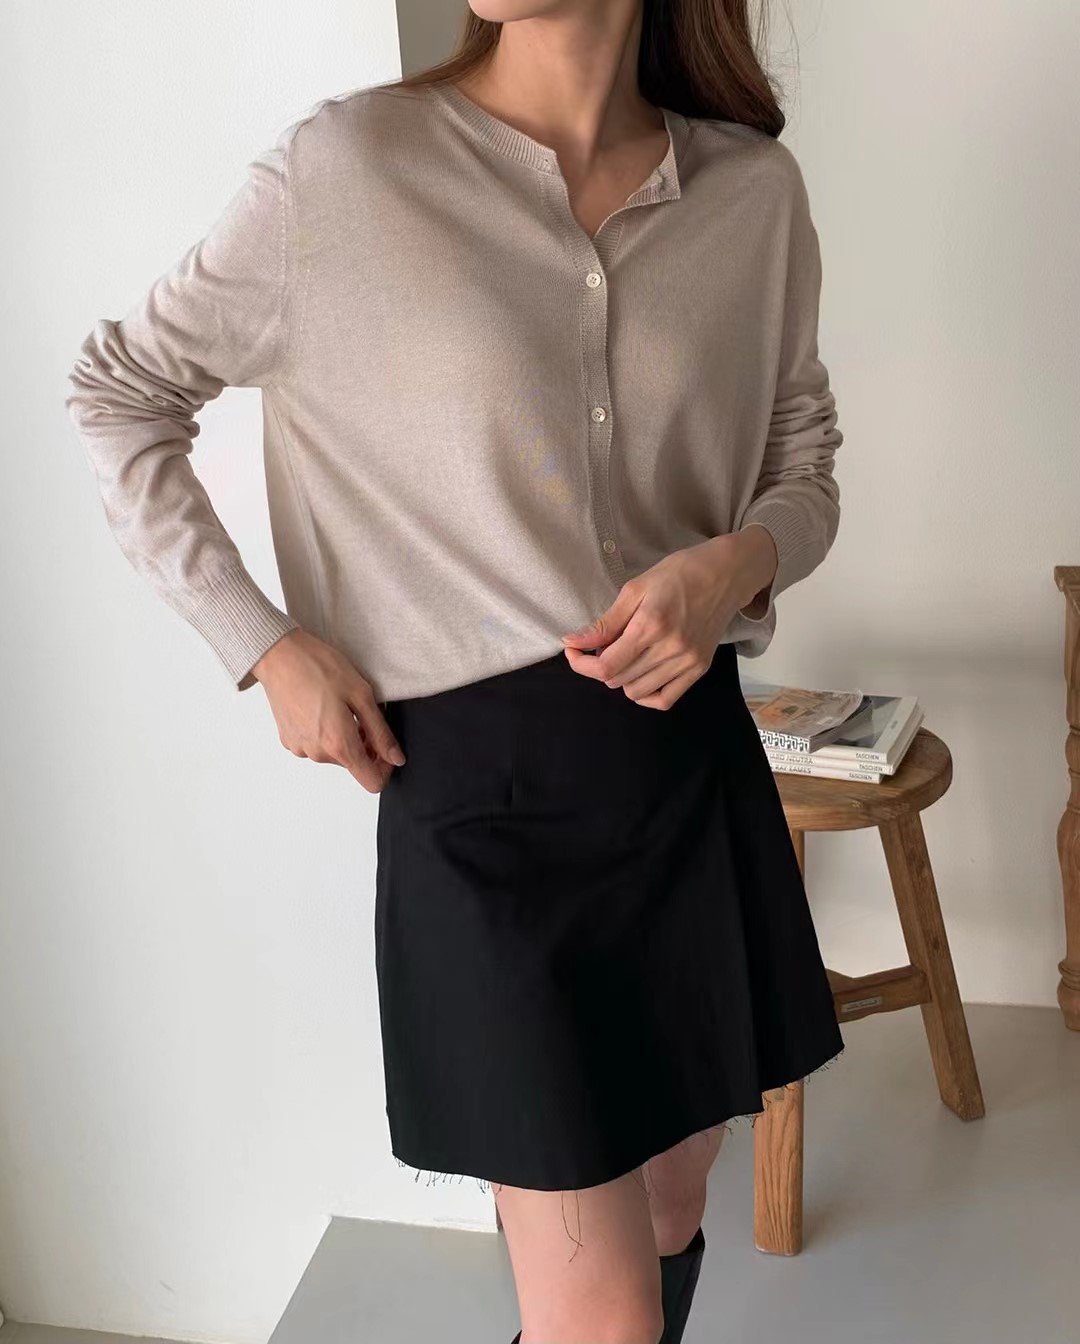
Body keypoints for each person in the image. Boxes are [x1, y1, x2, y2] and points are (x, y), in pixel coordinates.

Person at [65, 1, 848, 1340]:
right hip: (480, 807)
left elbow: (804, 459)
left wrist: (732, 568)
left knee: (672, 1204)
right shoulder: (346, 170)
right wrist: (262, 642)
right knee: (599, 1317)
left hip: (686, 769)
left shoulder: (751, 194)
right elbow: (120, 390)